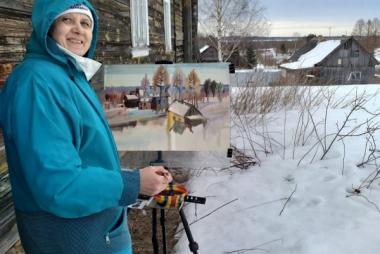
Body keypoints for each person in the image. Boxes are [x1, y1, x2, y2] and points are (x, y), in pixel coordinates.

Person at [0, 0, 172, 253]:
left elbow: (84, 151)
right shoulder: (37, 82)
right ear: (47, 25)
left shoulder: (69, 74)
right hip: (72, 238)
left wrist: (129, 177)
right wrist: (132, 183)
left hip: (96, 231)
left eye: (86, 23)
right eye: (67, 20)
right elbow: (58, 184)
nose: (78, 30)